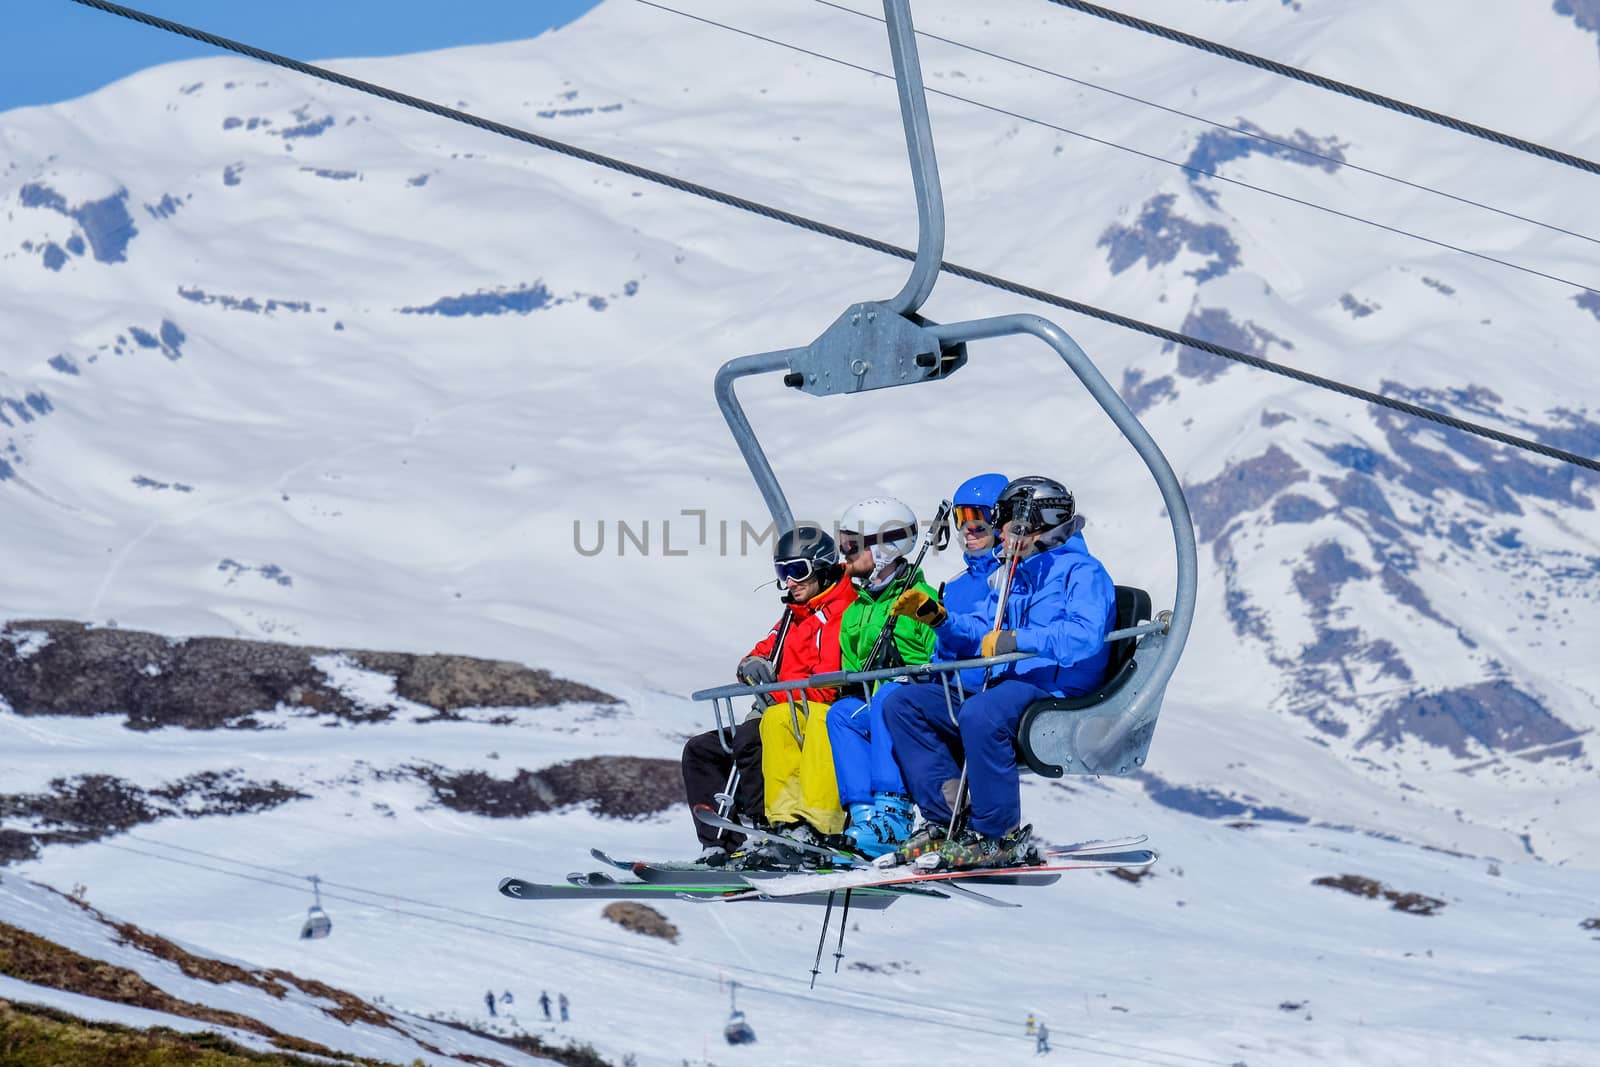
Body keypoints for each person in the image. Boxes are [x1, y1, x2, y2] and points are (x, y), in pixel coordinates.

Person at [883, 476, 1115, 869]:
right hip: (1010, 683)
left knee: (981, 713)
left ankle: (998, 834)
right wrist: (940, 619)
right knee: (904, 704)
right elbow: (983, 628)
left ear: (1034, 525)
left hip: (1055, 685)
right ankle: (947, 820)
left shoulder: (1082, 572)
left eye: (1004, 522)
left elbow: (1084, 635)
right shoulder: (1014, 573)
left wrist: (1017, 639)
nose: (999, 533)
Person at [824, 497, 939, 857]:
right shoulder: (857, 611)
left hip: (914, 705)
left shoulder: (923, 600)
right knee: (842, 714)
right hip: (879, 703)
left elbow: (942, 653)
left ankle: (895, 815)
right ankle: (865, 816)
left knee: (889, 697)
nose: (845, 554)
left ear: (887, 548)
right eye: (843, 544)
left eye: (852, 545)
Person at [750, 524, 858, 857]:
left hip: (836, 703)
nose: (790, 581)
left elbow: (826, 684)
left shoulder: (839, 611)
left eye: (798, 570)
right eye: (783, 572)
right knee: (776, 719)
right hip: (797, 700)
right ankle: (785, 824)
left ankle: (822, 824)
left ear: (822, 568)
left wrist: (777, 692)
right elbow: (766, 646)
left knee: (820, 723)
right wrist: (752, 663)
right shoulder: (794, 613)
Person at [940, 473, 1009, 695]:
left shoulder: (1009, 577)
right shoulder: (954, 585)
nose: (968, 529)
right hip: (946, 684)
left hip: (980, 691)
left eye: (978, 520)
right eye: (961, 518)